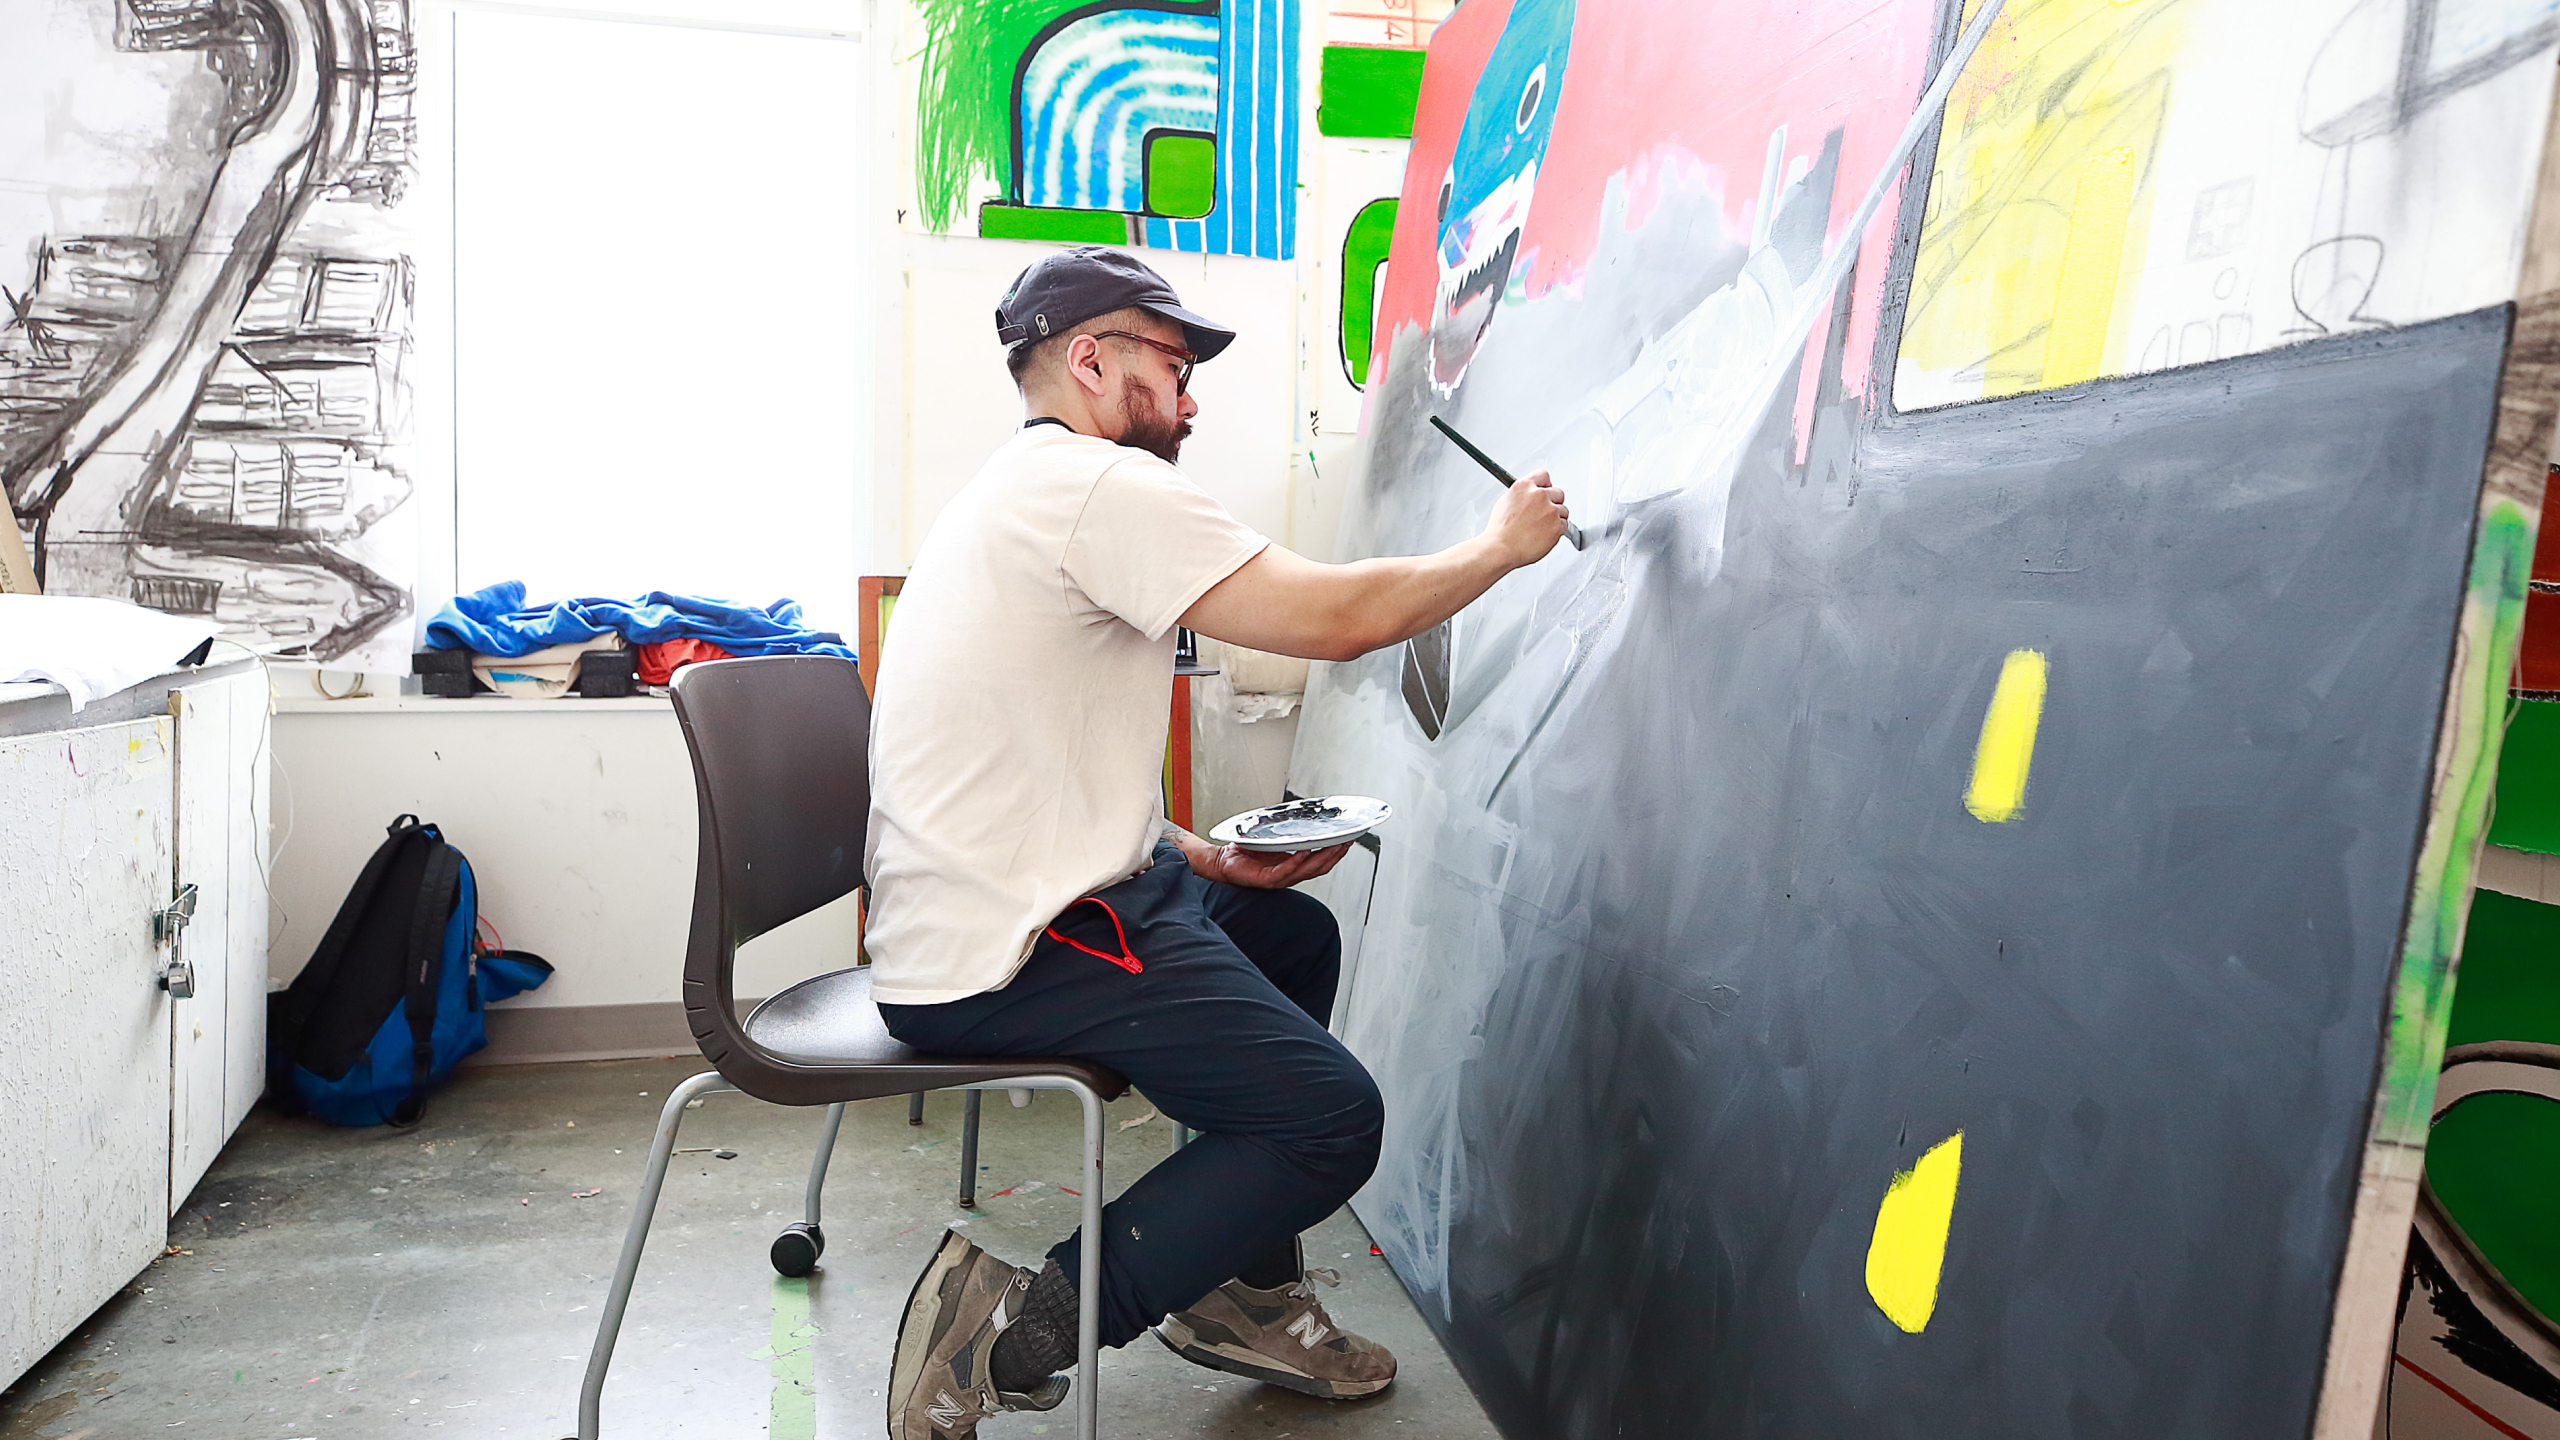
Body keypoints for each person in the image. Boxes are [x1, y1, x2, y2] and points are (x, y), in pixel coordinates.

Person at [868, 245, 1570, 1438]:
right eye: (1173, 363)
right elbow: (1338, 620)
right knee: (1329, 1118)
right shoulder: (1091, 486)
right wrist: (1501, 547)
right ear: (1087, 359)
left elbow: (1036, 749)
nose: (1191, 397)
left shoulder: (1029, 489)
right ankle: (1007, 1334)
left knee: (1286, 937)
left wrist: (1192, 852)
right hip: (1017, 945)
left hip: (1029, 901)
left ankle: (1238, 1285)